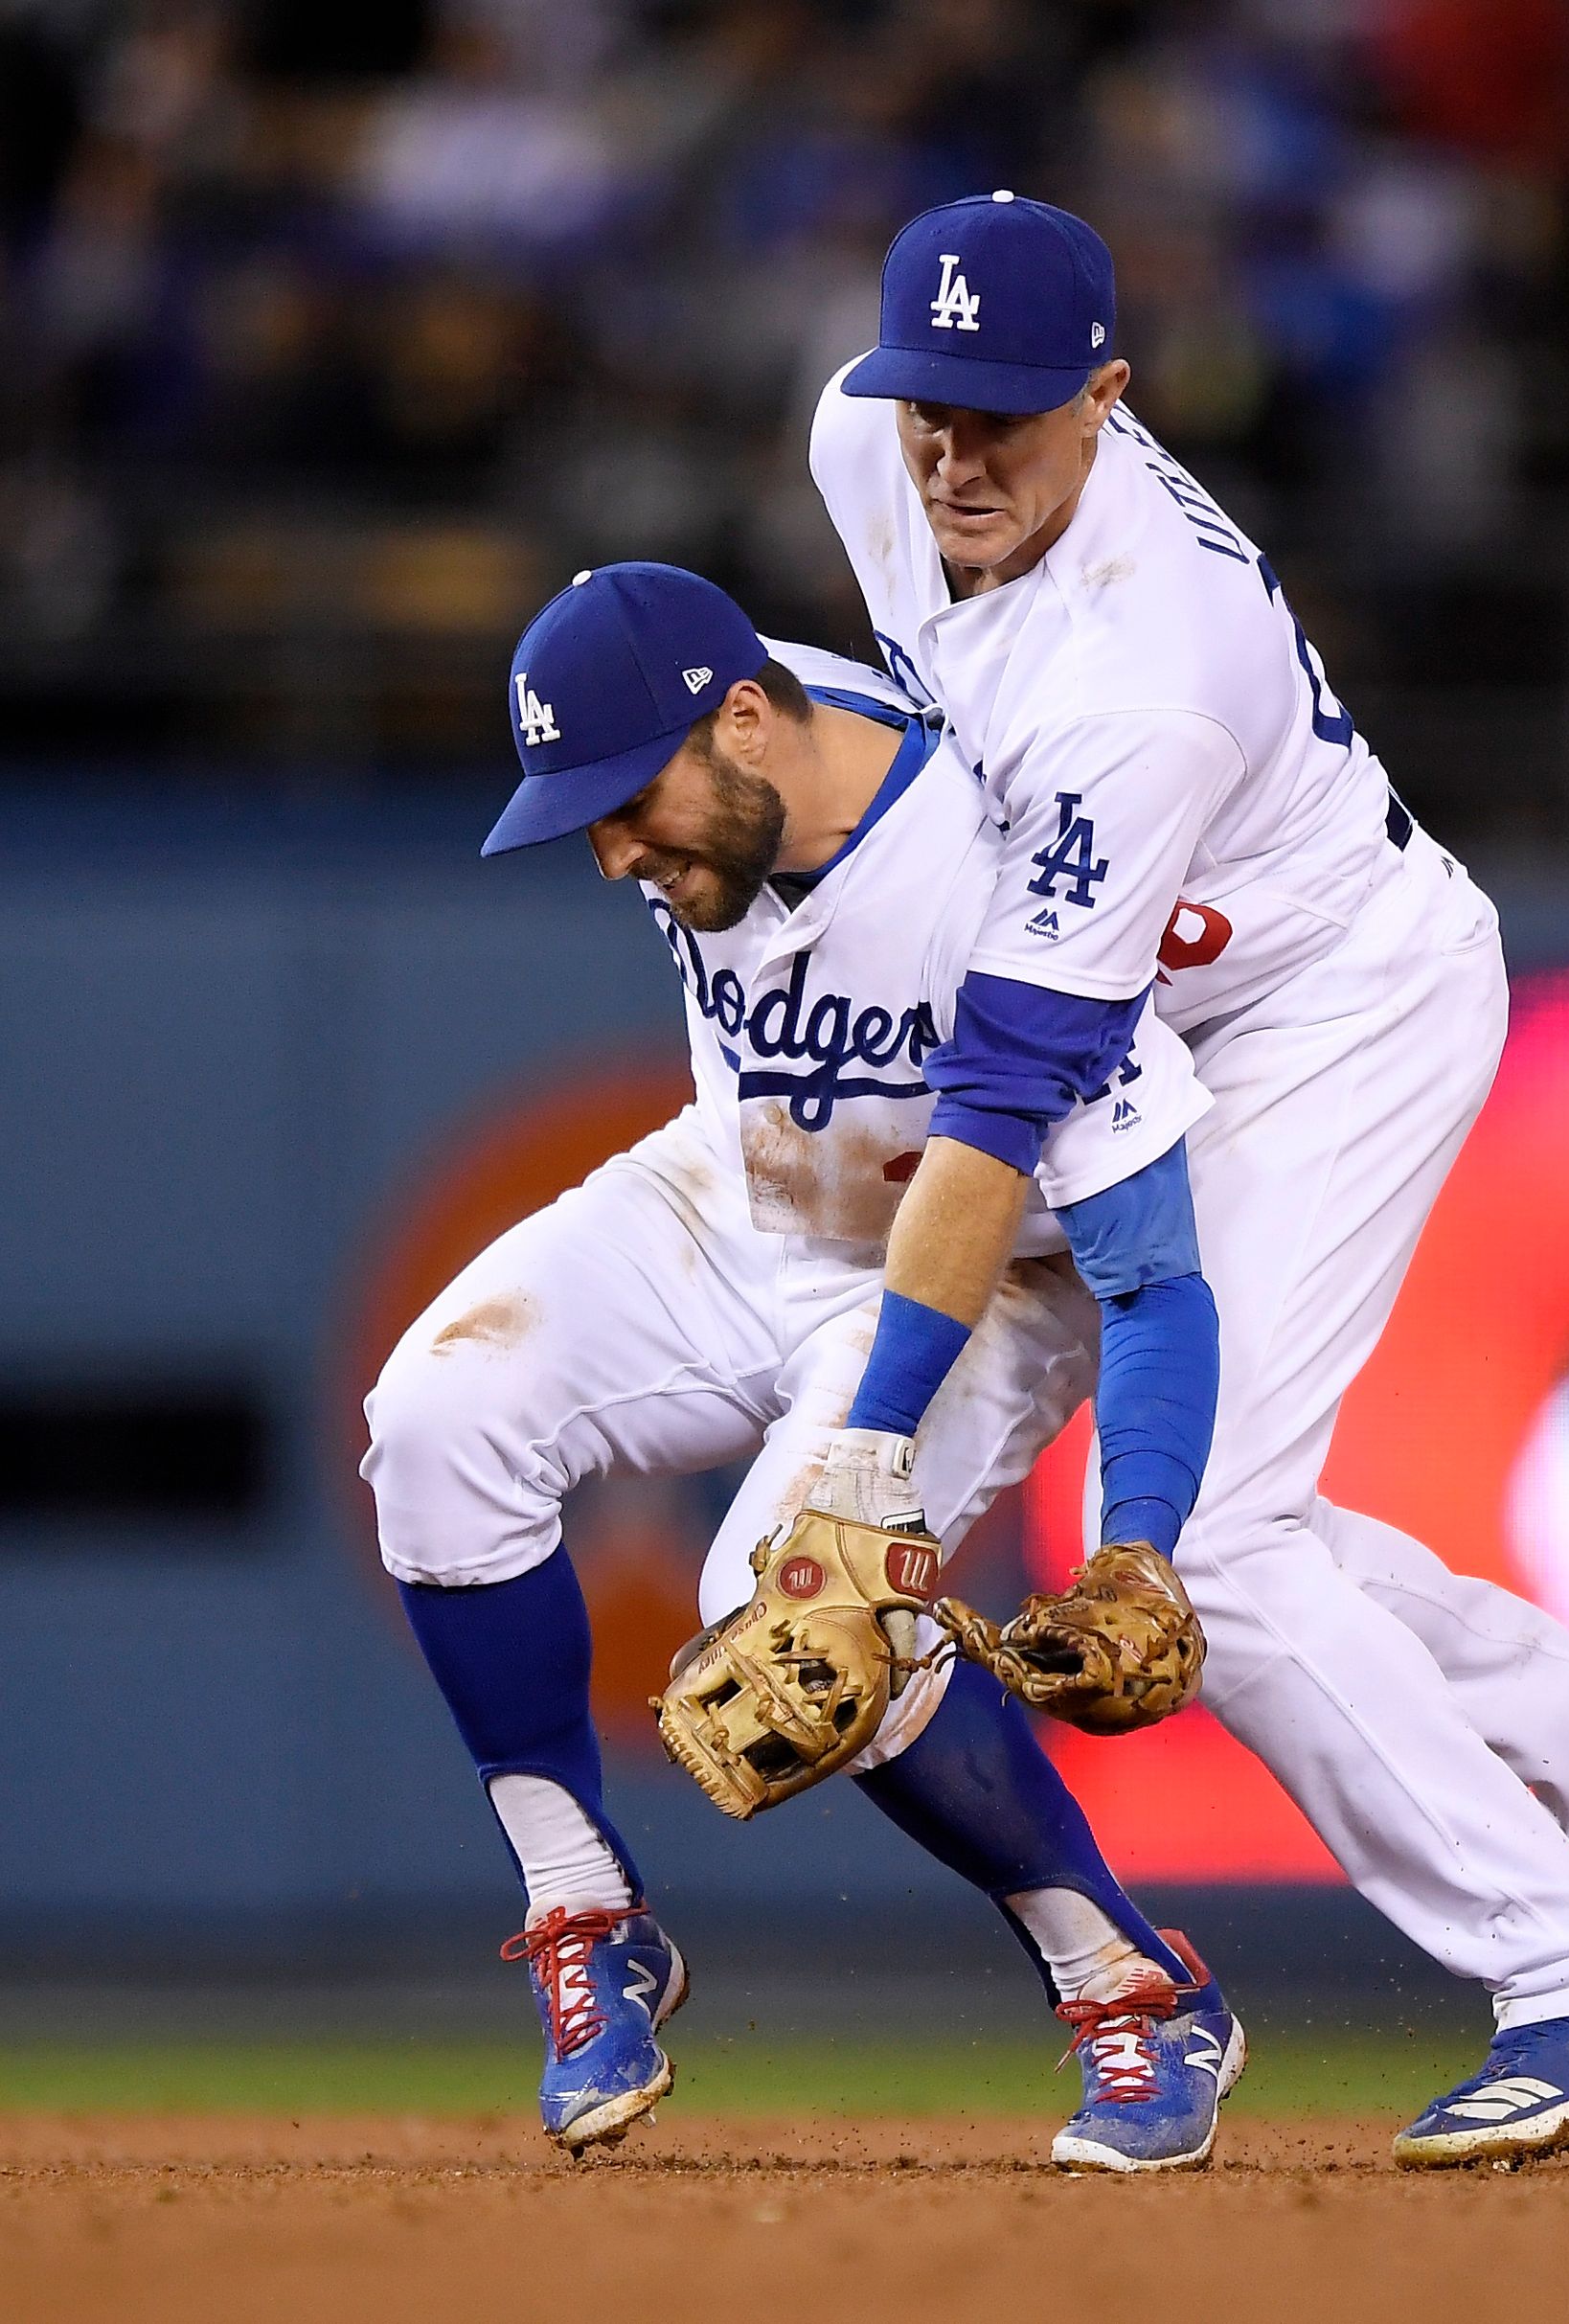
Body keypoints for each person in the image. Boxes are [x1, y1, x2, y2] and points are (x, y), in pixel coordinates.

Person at [804, 191, 1569, 2167]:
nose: (953, 453)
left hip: (1340, 1003)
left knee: (1210, 1555)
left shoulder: (1140, 680)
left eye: (1005, 412)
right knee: (1254, 1520)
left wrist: (861, 1458)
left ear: (1111, 396)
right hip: (1204, 988)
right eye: (932, 402)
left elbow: (1007, 1100)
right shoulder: (867, 443)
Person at [362, 561, 1242, 2174]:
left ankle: (1133, 1987)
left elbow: (1157, 1276)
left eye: (627, 802)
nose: (613, 850)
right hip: (744, 1184)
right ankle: (587, 1912)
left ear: (748, 721)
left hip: (973, 1274)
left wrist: (1143, 1538)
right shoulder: (743, 741)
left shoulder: (1015, 881)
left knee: (793, 1608)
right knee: (433, 1417)